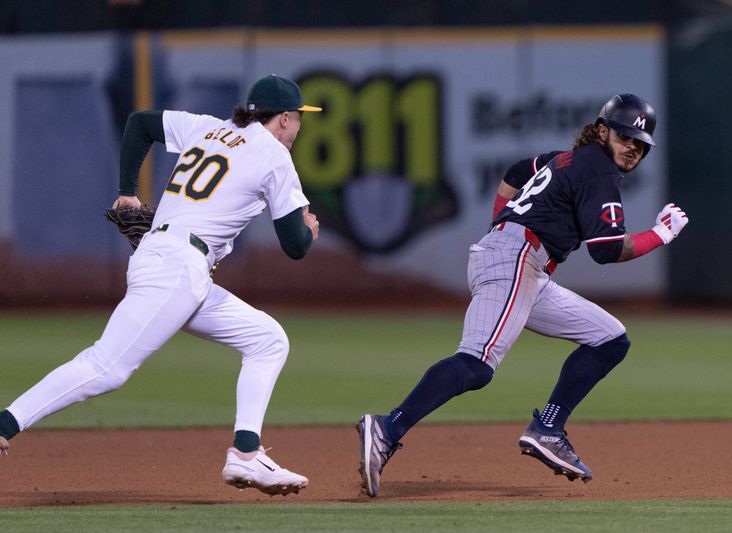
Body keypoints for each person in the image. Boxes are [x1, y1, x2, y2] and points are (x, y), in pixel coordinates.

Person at [0, 74, 321, 496]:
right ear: (282, 119)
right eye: (298, 117)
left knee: (267, 339)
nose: (298, 126)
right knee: (106, 367)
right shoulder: (274, 156)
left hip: (173, 261)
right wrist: (310, 229)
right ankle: (5, 423)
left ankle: (246, 455)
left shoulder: (209, 127)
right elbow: (294, 246)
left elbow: (140, 124)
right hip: (177, 268)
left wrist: (127, 192)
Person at [357, 94, 689, 497]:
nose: (632, 148)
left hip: (524, 262)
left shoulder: (568, 157)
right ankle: (388, 428)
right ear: (602, 131)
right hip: (518, 257)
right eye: (624, 137)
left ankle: (548, 427)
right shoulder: (598, 170)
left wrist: (502, 220)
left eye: (639, 144)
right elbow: (605, 250)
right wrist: (662, 234)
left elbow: (517, 171)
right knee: (477, 364)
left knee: (609, 339)